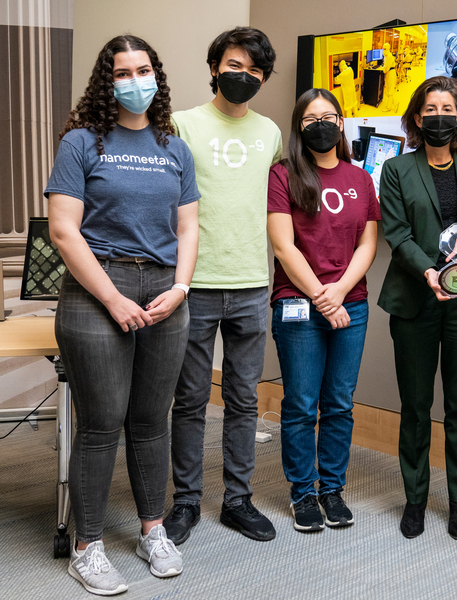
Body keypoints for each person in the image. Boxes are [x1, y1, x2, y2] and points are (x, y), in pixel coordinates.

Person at [46, 34, 199, 595]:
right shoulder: (83, 142)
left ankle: (152, 530)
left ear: (156, 76)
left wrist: (181, 287)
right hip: (96, 290)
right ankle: (87, 547)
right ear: (106, 82)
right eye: (123, 72)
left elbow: (187, 226)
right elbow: (64, 230)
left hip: (164, 291)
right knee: (101, 423)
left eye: (144, 70)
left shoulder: (173, 147)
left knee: (149, 421)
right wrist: (112, 298)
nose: (136, 81)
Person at [164, 27, 282, 546]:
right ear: (214, 67)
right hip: (194, 284)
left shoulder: (272, 132)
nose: (243, 76)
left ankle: (237, 499)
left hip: (253, 282)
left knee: (242, 399)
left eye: (254, 71)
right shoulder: (180, 125)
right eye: (234, 66)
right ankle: (186, 501)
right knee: (189, 399)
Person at [378, 75, 457, 541]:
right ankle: (414, 499)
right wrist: (430, 273)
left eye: (447, 110)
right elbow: (397, 232)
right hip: (415, 299)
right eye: (430, 110)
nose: (438, 118)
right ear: (416, 118)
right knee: (415, 405)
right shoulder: (396, 169)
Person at [267, 88, 380, 532]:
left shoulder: (359, 178)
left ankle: (331, 489)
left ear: (341, 123)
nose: (322, 124)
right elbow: (283, 245)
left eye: (330, 116)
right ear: (299, 126)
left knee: (339, 403)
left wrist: (340, 292)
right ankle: (303, 494)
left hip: (350, 305)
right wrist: (320, 296)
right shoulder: (284, 174)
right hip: (297, 303)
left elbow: (368, 243)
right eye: (312, 118)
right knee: (300, 403)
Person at [381, 43, 399, 113]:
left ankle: (389, 107)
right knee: (387, 91)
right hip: (389, 74)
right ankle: (395, 103)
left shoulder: (389, 56)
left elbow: (386, 69)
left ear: (387, 48)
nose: (383, 50)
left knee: (390, 91)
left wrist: (382, 69)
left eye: (384, 48)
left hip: (391, 73)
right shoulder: (386, 56)